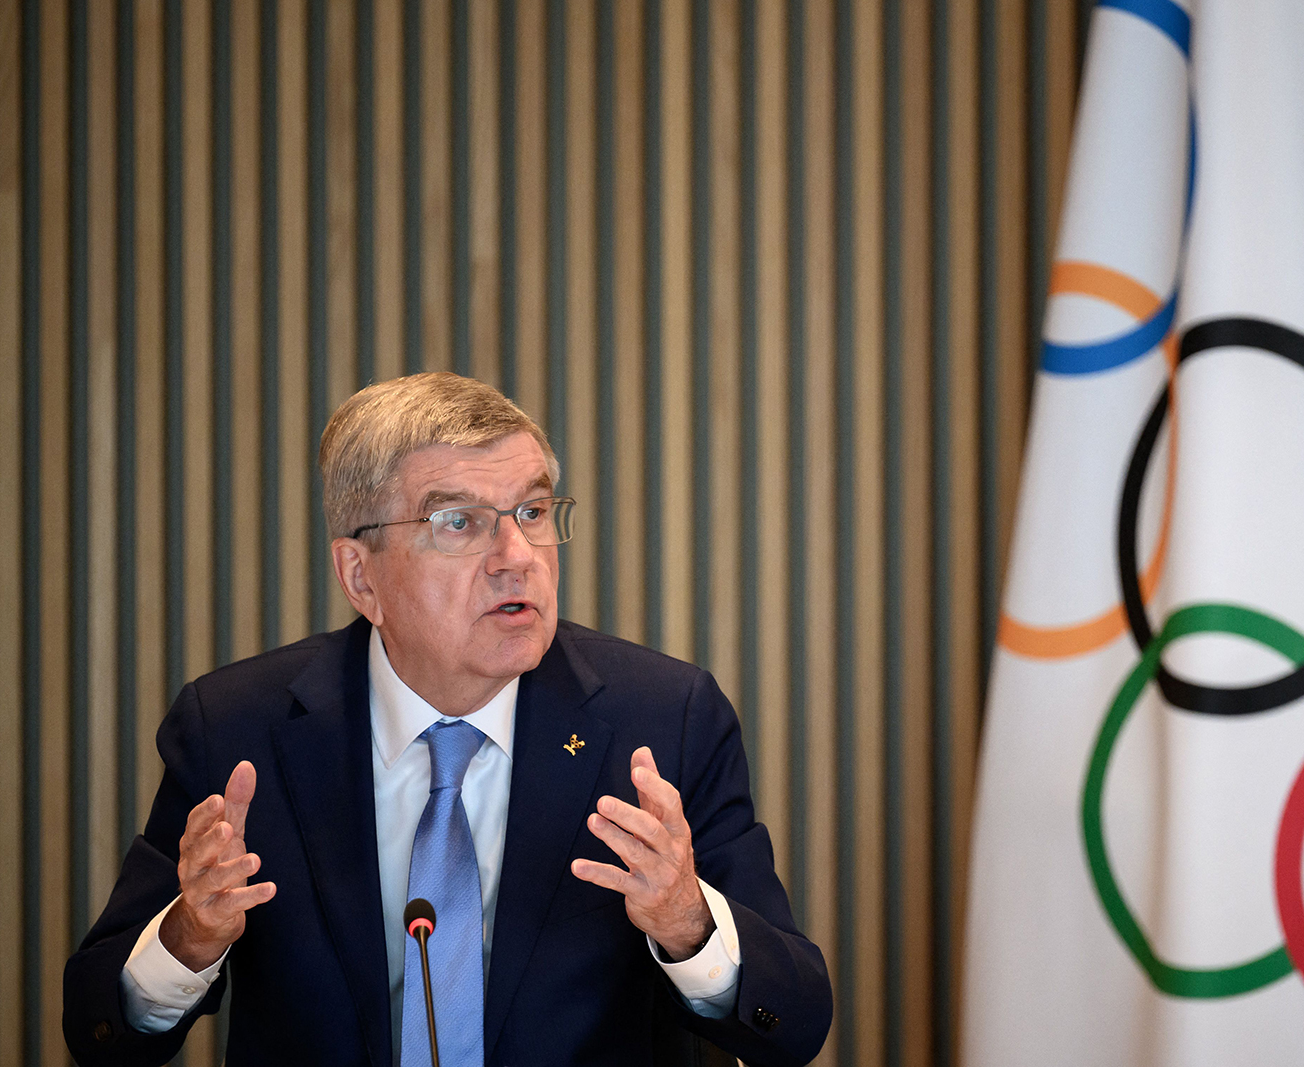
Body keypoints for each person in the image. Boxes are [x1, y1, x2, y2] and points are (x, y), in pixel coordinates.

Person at [62, 373, 832, 1067]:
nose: (517, 554)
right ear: (361, 576)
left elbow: (793, 1021)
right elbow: (97, 1026)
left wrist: (689, 922)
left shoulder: (664, 721)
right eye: (459, 522)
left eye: (531, 510)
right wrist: (189, 938)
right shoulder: (237, 731)